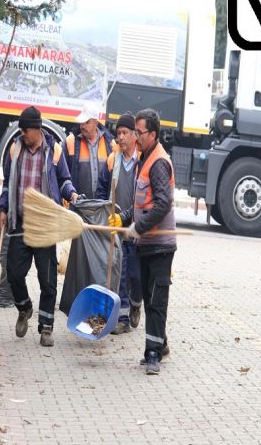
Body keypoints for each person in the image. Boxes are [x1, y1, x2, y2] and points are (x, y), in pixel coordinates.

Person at [0, 106, 78, 347]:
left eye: (25, 130)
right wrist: (3, 208)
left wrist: (72, 194)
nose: (22, 133)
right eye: (21, 129)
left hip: (45, 225)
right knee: (13, 274)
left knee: (48, 280)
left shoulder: (53, 150)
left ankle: (46, 327)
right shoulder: (16, 148)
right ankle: (24, 308)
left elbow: (64, 180)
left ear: (37, 129)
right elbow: (7, 183)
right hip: (21, 224)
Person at [109, 108, 176, 375]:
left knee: (157, 300)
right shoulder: (143, 159)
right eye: (134, 131)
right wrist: (124, 217)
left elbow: (161, 205)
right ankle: (161, 345)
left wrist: (138, 227)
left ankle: (153, 355)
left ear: (153, 134)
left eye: (139, 132)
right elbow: (140, 203)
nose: (135, 136)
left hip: (160, 244)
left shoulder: (159, 162)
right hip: (145, 242)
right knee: (149, 300)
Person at [95, 112, 142, 334]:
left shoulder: (142, 162)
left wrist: (127, 216)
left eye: (125, 133)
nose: (120, 137)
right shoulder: (113, 160)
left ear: (135, 135)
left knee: (135, 274)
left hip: (137, 228)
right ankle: (122, 318)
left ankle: (136, 302)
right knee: (121, 273)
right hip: (117, 226)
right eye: (118, 133)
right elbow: (102, 190)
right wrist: (104, 211)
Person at [63, 103, 115, 198]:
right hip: (77, 206)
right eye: (81, 123)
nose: (83, 126)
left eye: (87, 122)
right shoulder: (71, 142)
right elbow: (62, 176)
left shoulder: (110, 143)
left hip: (102, 207)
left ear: (96, 123)